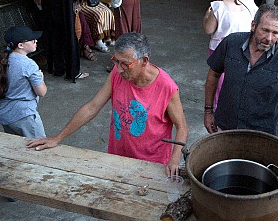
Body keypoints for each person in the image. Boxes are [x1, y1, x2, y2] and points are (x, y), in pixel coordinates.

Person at [26, 32, 189, 176]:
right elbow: (92, 107)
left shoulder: (166, 87)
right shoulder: (118, 75)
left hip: (152, 165)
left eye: (125, 64)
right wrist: (57, 138)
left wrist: (174, 159)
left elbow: (182, 127)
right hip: (117, 158)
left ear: (144, 61)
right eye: (116, 61)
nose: (118, 69)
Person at [204, 4, 278, 139]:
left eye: (275, 33)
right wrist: (208, 110)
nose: (269, 38)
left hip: (264, 133)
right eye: (265, 30)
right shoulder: (231, 43)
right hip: (226, 126)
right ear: (253, 25)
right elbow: (214, 73)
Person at [203, 0, 258, 108]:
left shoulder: (217, 7)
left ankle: (218, 108)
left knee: (219, 81)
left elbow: (209, 29)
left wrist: (206, 16)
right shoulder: (250, 3)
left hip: (220, 49)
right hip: (244, 47)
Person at [0, 26, 47, 139]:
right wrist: (41, 78)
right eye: (32, 40)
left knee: (16, 146)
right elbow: (42, 92)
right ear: (21, 45)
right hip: (24, 116)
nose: (36, 41)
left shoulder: (3, 60)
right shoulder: (29, 65)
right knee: (38, 146)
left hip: (5, 115)